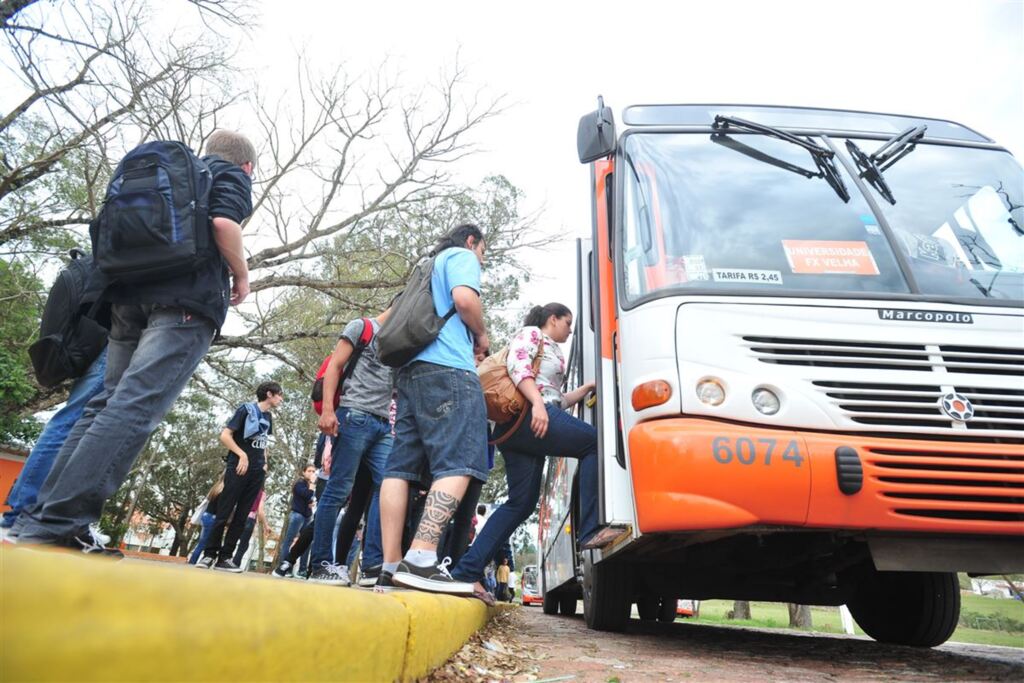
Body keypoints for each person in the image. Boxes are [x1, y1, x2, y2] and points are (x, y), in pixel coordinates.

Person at [10, 131, 255, 554]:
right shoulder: (228, 174)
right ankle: (60, 523)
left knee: (103, 404)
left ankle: (41, 515)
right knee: (134, 407)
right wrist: (241, 273)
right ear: (247, 166)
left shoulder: (172, 173)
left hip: (126, 297)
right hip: (184, 304)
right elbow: (222, 224)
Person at [450, 303, 598, 595]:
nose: (570, 330)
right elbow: (519, 368)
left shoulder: (553, 350)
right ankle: (590, 531)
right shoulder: (532, 334)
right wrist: (539, 404)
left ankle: (466, 571)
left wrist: (587, 388)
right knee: (593, 443)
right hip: (529, 417)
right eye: (567, 323)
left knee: (520, 504)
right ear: (552, 319)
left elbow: (556, 399)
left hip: (519, 429)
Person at [379, 224, 490, 595]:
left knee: (401, 467)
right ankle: (422, 556)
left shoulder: (424, 267)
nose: (481, 261)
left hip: (410, 371)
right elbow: (465, 300)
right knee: (461, 460)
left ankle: (391, 564)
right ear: (472, 241)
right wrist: (482, 334)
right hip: (448, 370)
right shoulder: (460, 256)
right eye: (483, 254)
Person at [309, 307, 395, 586]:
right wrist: (328, 411)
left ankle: (372, 564)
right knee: (338, 489)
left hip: (383, 425)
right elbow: (335, 366)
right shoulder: (362, 327)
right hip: (354, 415)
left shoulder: (401, 341)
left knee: (390, 487)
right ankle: (321, 563)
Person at [2, 350, 107, 531]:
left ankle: (28, 513)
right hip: (111, 346)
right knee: (71, 421)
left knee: (78, 424)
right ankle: (23, 512)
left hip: (106, 348)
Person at [198, 381, 283, 571]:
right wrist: (241, 454)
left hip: (256, 472)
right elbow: (225, 435)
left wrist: (264, 464)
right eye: (279, 394)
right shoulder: (245, 410)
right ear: (269, 394)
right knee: (224, 512)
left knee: (242, 516)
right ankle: (209, 555)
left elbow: (264, 442)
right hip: (238, 468)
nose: (281, 399)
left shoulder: (268, 416)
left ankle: (225, 558)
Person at [277, 465, 316, 574]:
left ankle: (302, 570)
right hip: (297, 515)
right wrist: (312, 485)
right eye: (309, 471)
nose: (312, 473)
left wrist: (311, 503)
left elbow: (309, 499)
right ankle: (284, 568)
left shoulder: (311, 486)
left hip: (307, 516)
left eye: (313, 471)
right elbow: (306, 494)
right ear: (304, 472)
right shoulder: (299, 484)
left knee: (306, 542)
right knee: (288, 541)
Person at [188, 474, 225, 564]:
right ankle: (193, 563)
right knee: (203, 544)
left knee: (203, 542)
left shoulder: (215, 488)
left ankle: (194, 562)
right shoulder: (223, 490)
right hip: (212, 518)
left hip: (206, 516)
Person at [231, 489, 268, 570]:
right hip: (249, 519)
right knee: (243, 544)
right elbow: (260, 511)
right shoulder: (261, 493)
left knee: (233, 539)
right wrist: (266, 526)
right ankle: (235, 563)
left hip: (238, 516)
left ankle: (225, 559)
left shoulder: (245, 488)